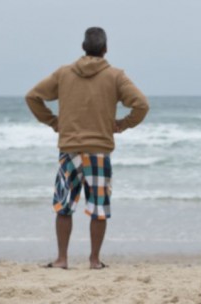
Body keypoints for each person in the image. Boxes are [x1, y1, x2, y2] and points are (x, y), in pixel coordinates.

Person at [26, 27, 149, 269]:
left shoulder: (64, 74)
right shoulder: (115, 76)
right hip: (99, 151)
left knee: (64, 206)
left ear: (83, 47)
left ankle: (62, 259)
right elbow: (142, 105)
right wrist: (122, 125)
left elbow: (32, 97)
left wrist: (53, 122)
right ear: (105, 49)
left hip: (70, 149)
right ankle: (94, 260)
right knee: (98, 208)